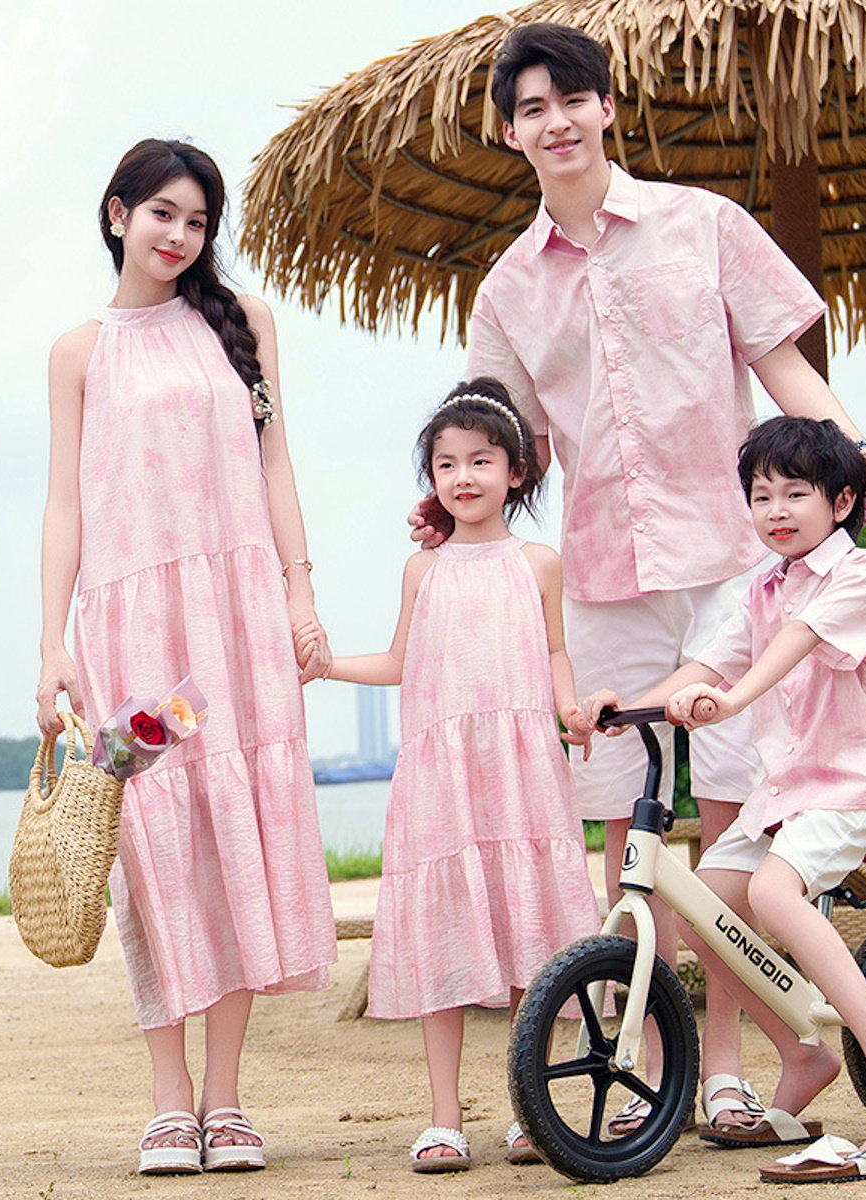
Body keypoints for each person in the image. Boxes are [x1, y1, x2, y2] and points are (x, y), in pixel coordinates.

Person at [410, 20, 866, 1134]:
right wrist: (445, 497)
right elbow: (497, 429)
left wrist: (854, 449)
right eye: (531, 108)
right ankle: (654, 1059)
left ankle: (726, 1069)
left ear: (606, 108)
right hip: (602, 577)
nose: (555, 120)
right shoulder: (505, 289)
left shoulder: (705, 226)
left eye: (570, 99)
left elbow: (783, 364)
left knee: (729, 827)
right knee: (631, 834)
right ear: (510, 133)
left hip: (734, 569)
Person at [35, 139, 337, 1176]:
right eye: (161, 213)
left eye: (198, 221)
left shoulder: (244, 326)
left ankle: (226, 1098)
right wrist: (51, 648)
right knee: (151, 847)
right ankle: (168, 1102)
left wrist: (299, 590)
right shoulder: (78, 351)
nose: (179, 235)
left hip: (235, 626)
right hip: (130, 638)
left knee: (233, 834)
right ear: (117, 213)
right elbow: (66, 502)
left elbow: (275, 461)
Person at [579, 415, 866, 1183]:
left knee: (772, 892)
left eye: (794, 493)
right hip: (787, 794)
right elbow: (707, 661)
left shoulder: (856, 575)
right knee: (708, 911)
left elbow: (787, 648)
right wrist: (622, 710)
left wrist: (726, 703)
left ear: (841, 502)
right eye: (761, 495)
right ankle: (802, 1048)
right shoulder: (762, 588)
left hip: (852, 785)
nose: (775, 509)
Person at [298, 380, 600, 1173]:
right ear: (430, 478)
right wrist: (327, 668)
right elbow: (401, 661)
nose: (463, 476)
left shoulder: (539, 562)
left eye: (480, 460)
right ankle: (441, 1117)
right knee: (445, 942)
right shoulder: (421, 570)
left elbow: (556, 652)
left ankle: (528, 1109)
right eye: (445, 464)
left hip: (523, 770)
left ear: (516, 472)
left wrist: (571, 710)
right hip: (441, 776)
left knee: (527, 943)